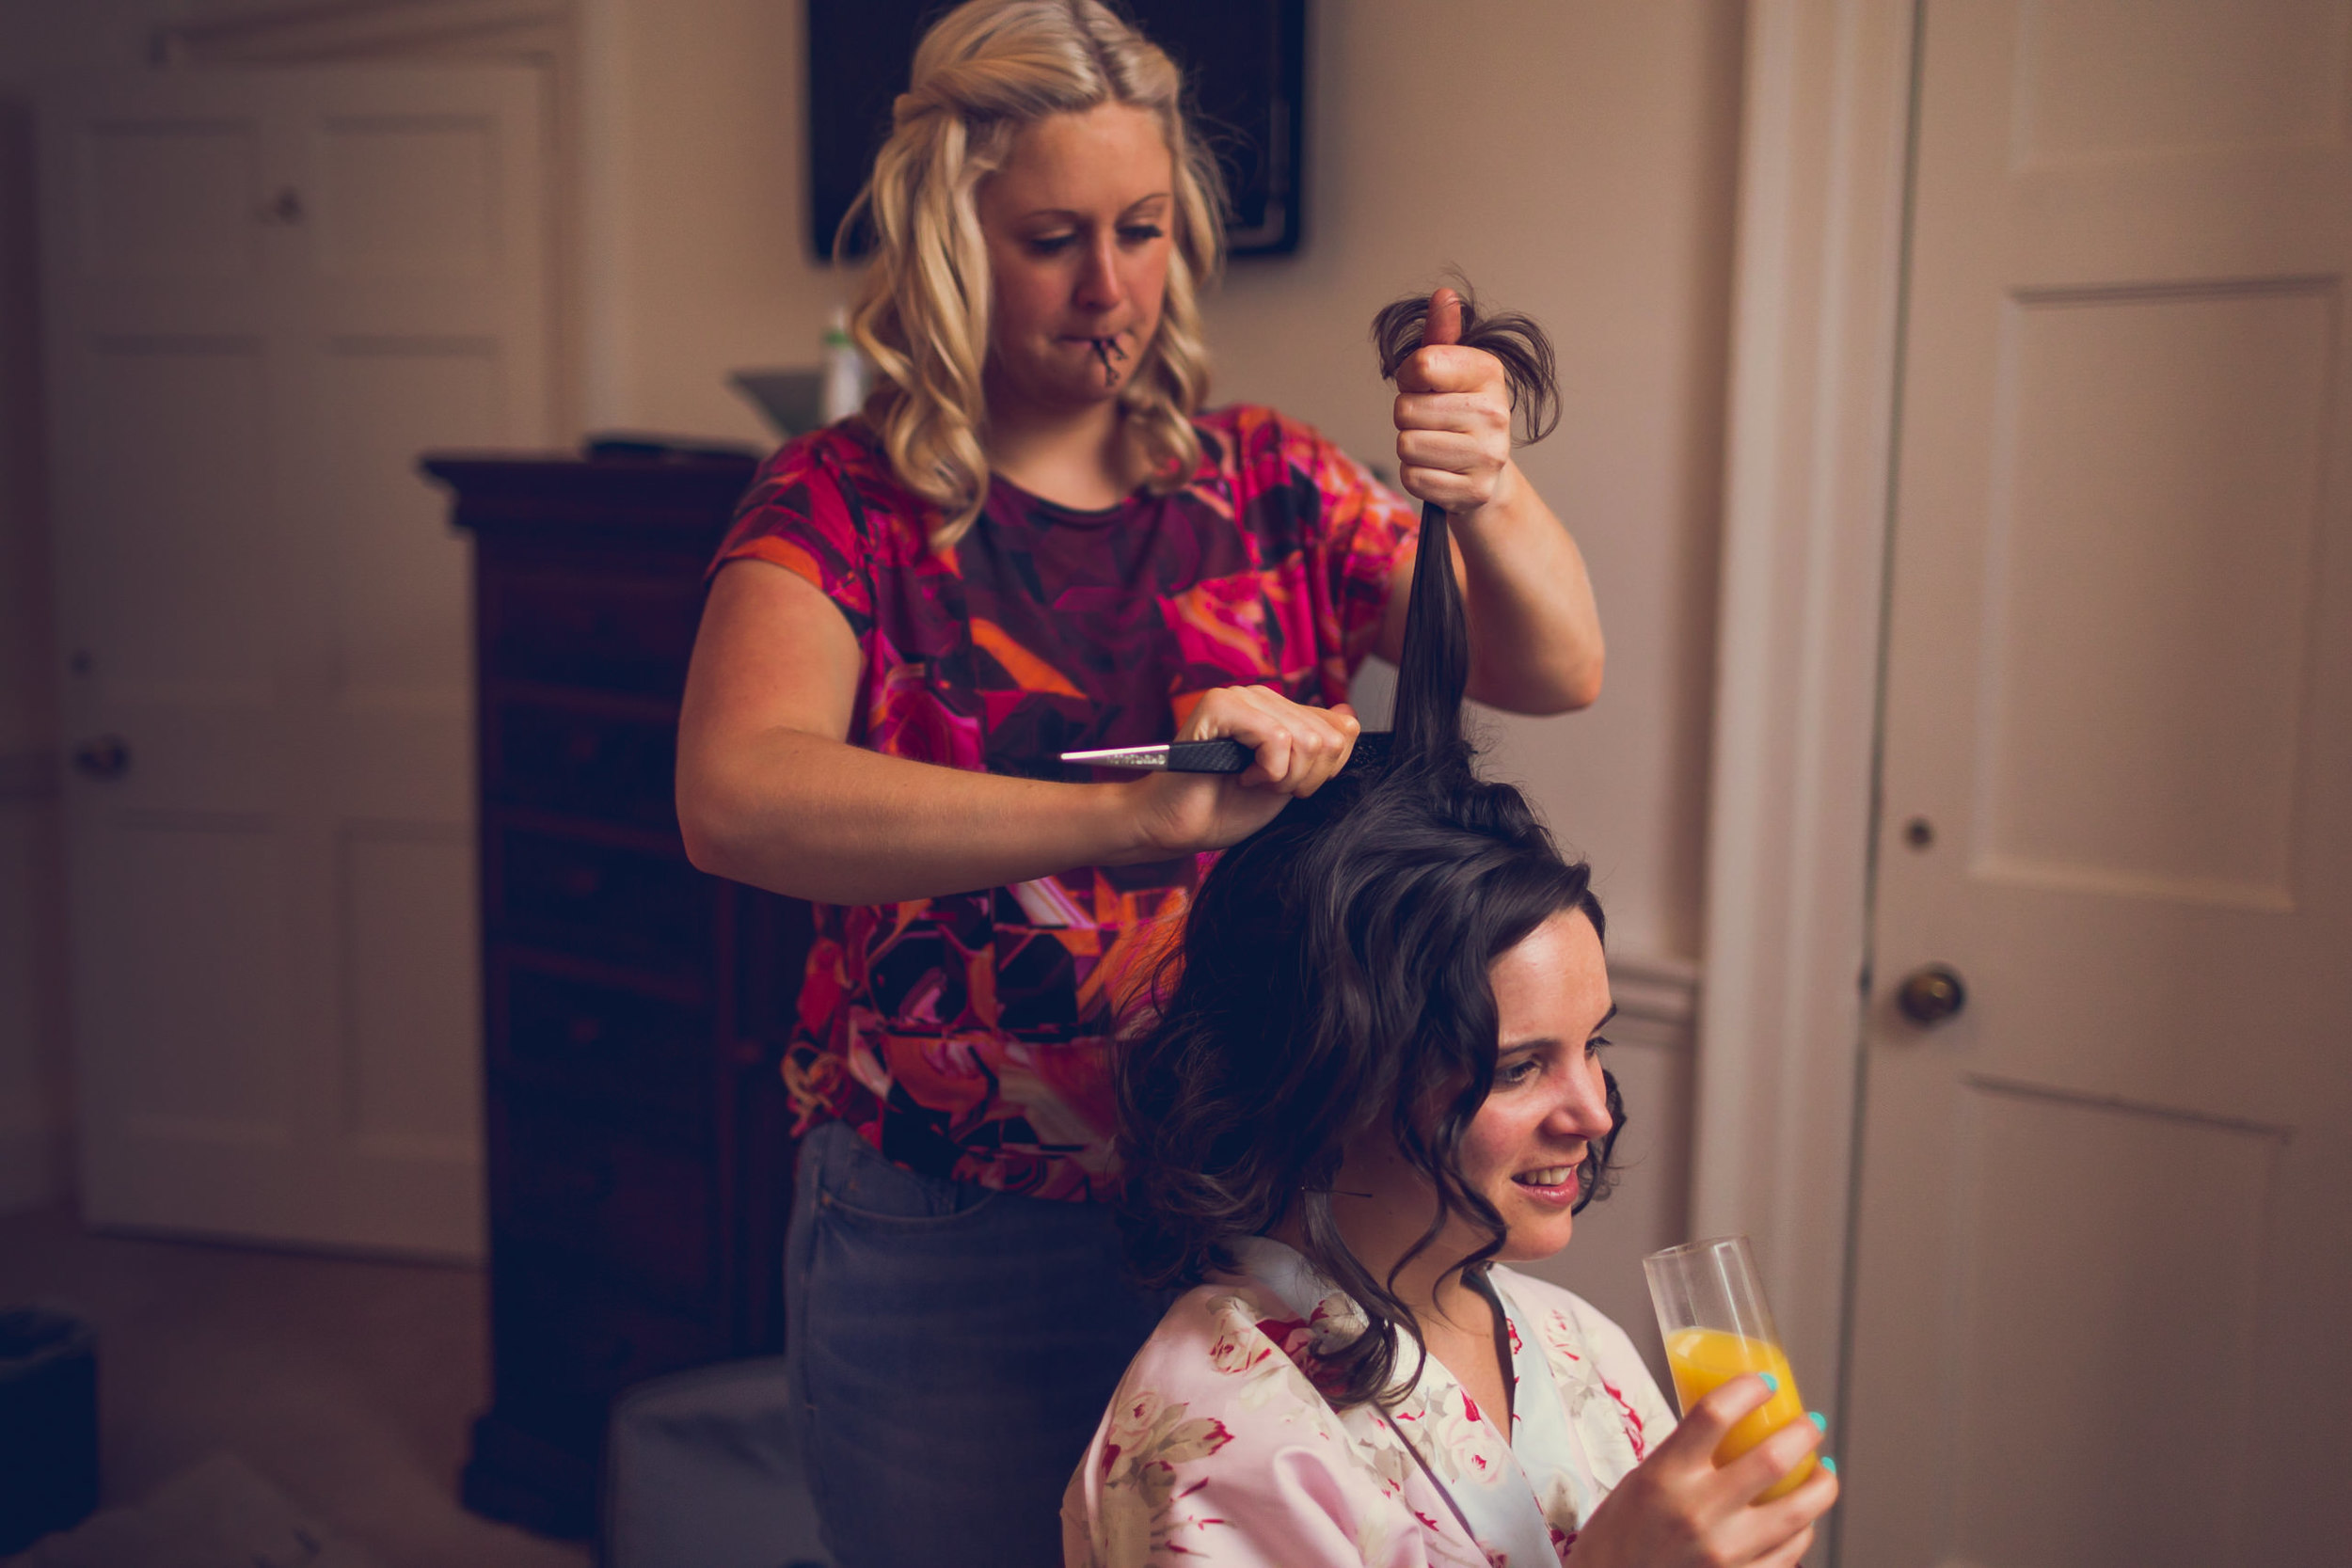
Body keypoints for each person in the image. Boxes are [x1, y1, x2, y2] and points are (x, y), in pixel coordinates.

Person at [675, 2, 1603, 1561]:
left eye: (1143, 228)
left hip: (1269, 1210)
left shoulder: (1266, 482)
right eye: (1052, 237)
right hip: (955, 1221)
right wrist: (1139, 812)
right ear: (953, 237)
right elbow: (738, 797)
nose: (1109, 284)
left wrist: (1488, 477)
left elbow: (1555, 663)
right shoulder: (848, 500)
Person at [1064, 316, 1839, 1566]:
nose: (1593, 1113)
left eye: (1592, 1047)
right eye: (1521, 1065)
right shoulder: (1216, 1431)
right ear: (1337, 1063)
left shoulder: (1575, 1346)